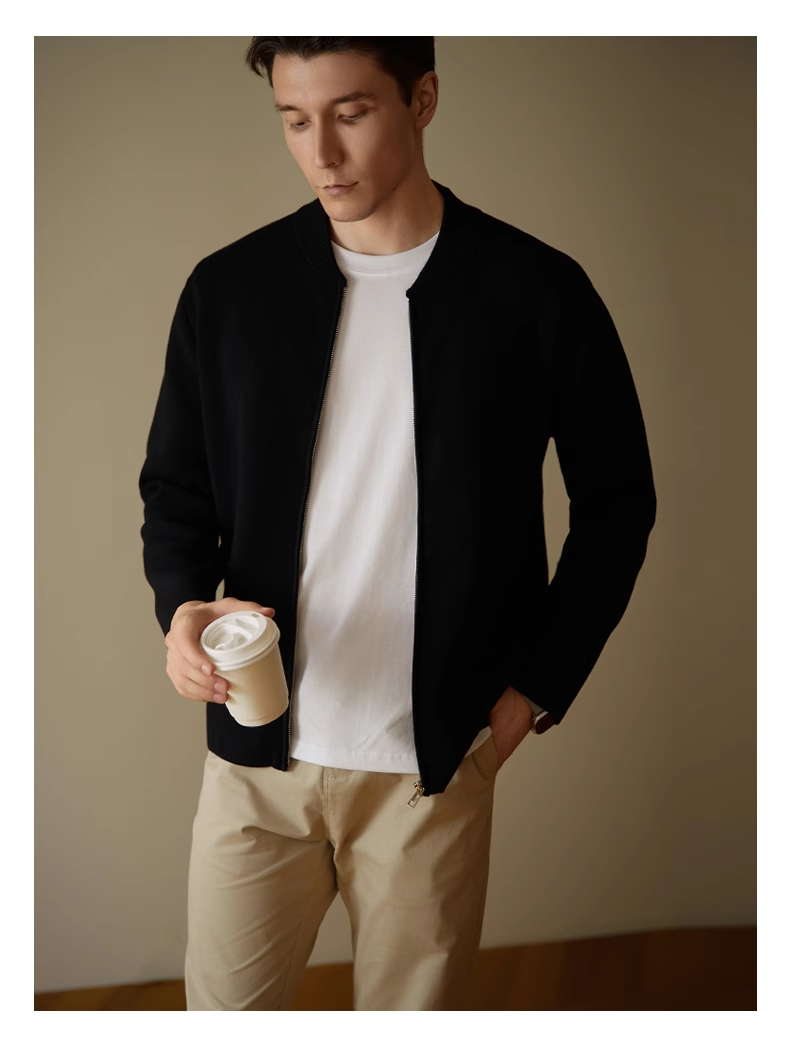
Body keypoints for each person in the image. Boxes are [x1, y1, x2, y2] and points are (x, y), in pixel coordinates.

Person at [138, 36, 657, 1011]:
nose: (322, 152)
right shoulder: (230, 289)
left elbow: (619, 502)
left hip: (433, 766)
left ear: (422, 100)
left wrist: (534, 690)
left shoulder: (537, 290)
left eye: (351, 113)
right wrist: (180, 609)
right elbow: (176, 491)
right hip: (256, 756)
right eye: (296, 119)